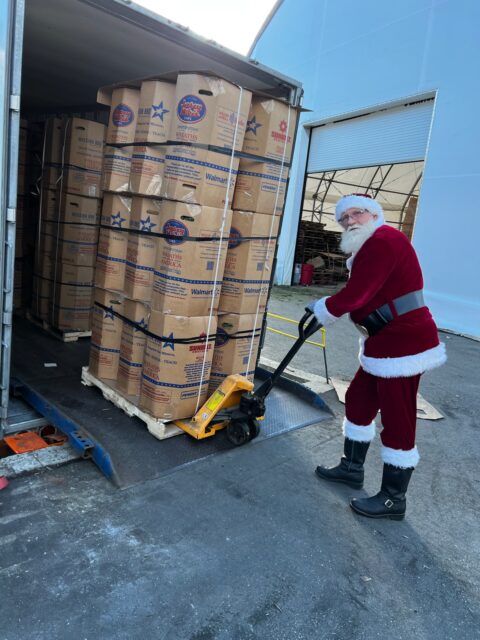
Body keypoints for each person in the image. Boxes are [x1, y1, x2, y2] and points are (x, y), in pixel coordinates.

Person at [309, 193, 446, 520]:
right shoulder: (371, 244)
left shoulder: (383, 241)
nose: (350, 221)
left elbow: (360, 293)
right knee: (358, 398)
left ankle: (392, 499)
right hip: (384, 344)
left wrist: (325, 309)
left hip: (404, 344)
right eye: (344, 219)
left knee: (398, 417)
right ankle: (352, 468)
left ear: (373, 214)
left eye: (356, 214)